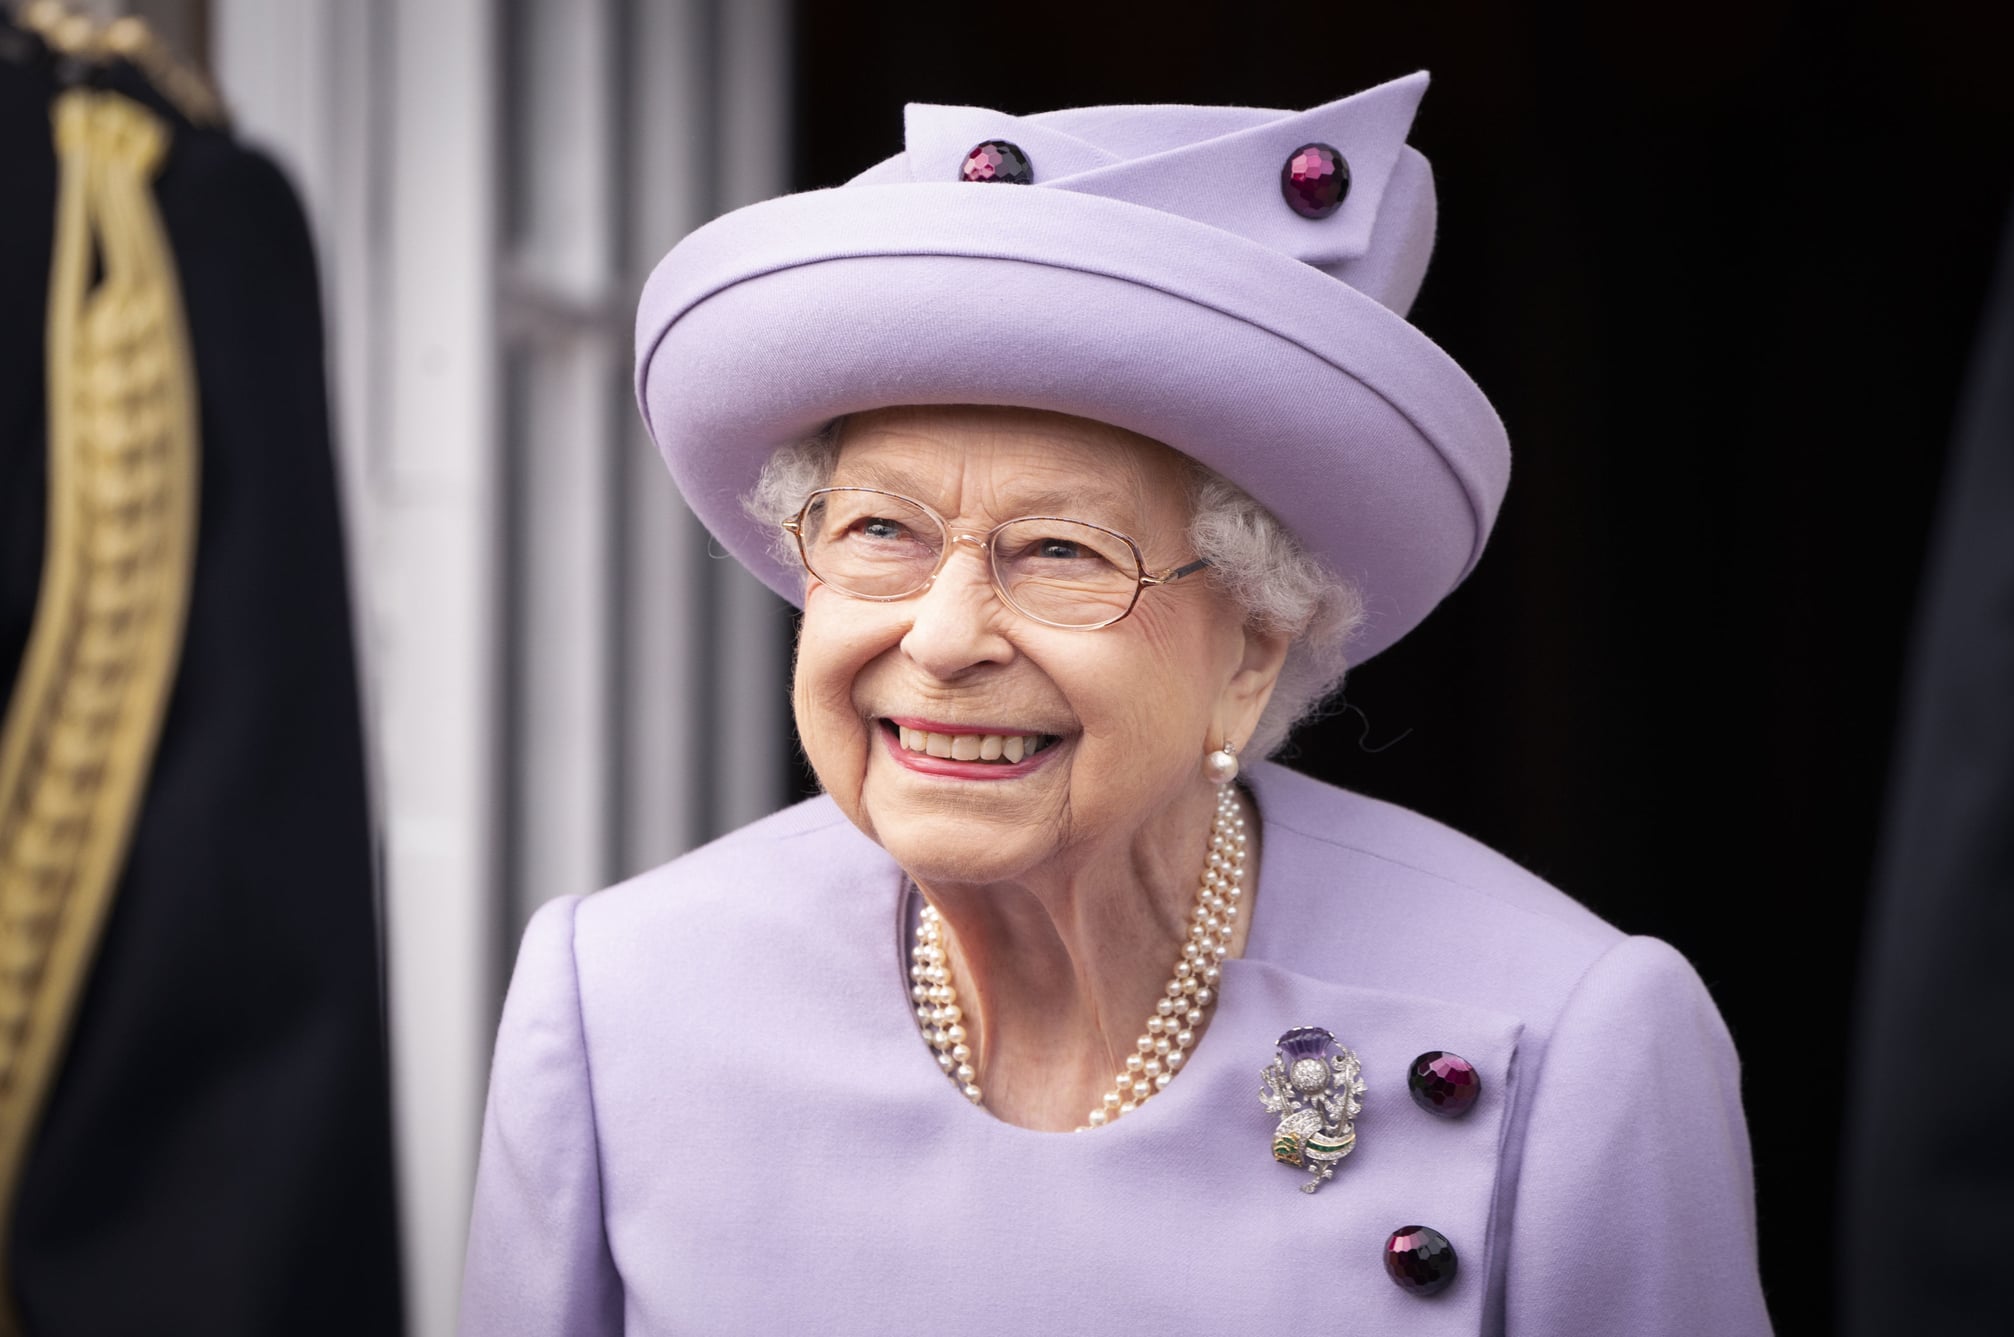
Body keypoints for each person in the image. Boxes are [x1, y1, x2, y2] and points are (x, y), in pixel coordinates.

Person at [461, 72, 1773, 1334]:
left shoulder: (1576, 1039)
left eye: (1060, 553)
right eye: (878, 530)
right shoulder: (616, 1001)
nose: (947, 633)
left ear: (1254, 646)